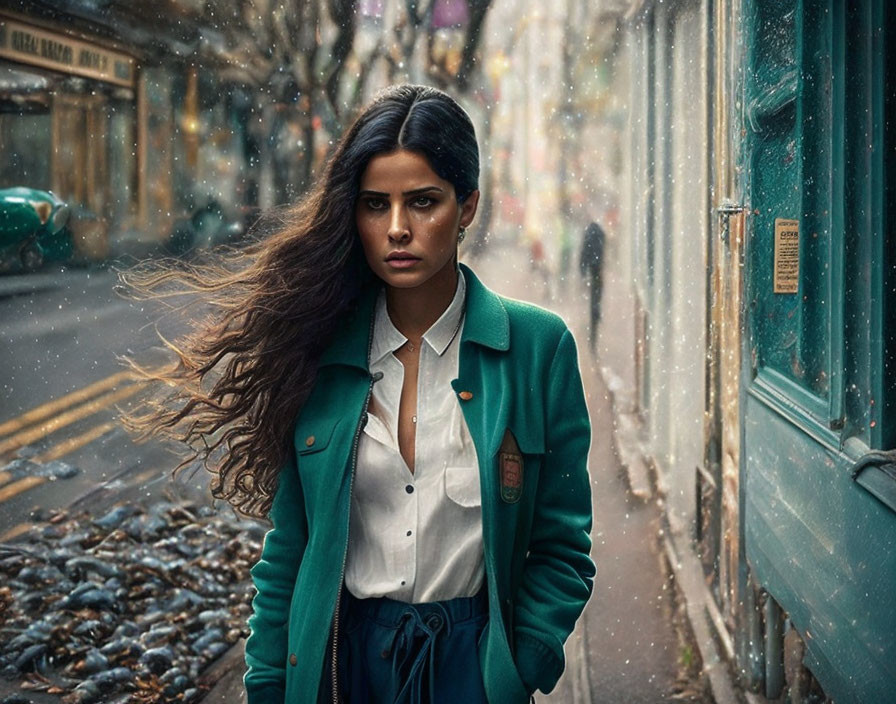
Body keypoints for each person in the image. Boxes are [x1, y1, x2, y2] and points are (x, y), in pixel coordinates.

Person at [121, 84, 593, 704]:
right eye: (376, 205)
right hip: (345, 661)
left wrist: (515, 666)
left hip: (471, 663)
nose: (398, 229)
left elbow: (563, 546)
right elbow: (290, 548)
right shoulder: (318, 353)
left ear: (468, 206)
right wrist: (268, 686)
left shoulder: (538, 349)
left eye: (423, 202)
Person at [579, 220, 606, 352]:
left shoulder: (589, 233)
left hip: (592, 270)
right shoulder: (600, 233)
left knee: (593, 301)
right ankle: (595, 320)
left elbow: (584, 252)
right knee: (595, 300)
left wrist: (583, 270)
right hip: (597, 271)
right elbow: (601, 252)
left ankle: (593, 332)